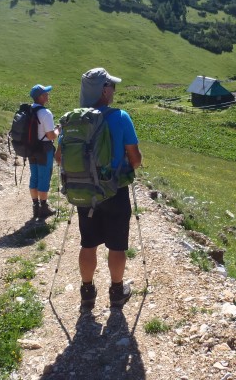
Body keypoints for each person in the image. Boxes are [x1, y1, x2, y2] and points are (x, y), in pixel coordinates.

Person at [55, 67, 142, 310]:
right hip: (115, 190)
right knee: (117, 245)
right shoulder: (121, 117)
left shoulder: (74, 120)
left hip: (86, 192)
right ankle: (116, 291)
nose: (114, 90)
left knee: (88, 242)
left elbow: (60, 157)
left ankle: (87, 292)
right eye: (112, 86)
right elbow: (135, 159)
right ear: (104, 90)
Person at [28, 84, 60, 219]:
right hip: (44, 149)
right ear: (40, 97)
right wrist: (59, 130)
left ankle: (35, 207)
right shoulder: (45, 113)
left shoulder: (28, 110)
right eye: (45, 93)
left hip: (30, 148)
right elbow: (51, 136)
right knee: (44, 177)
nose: (47, 95)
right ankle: (44, 208)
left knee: (34, 176)